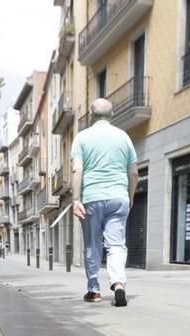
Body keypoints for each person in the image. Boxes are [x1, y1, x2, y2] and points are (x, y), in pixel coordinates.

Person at [71, 98, 138, 307]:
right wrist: (131, 195)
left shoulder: (82, 137)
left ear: (92, 115)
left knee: (92, 245)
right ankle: (118, 283)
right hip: (119, 196)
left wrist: (75, 199)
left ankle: (94, 290)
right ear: (112, 114)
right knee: (116, 244)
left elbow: (77, 170)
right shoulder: (123, 137)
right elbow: (134, 172)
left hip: (92, 197)